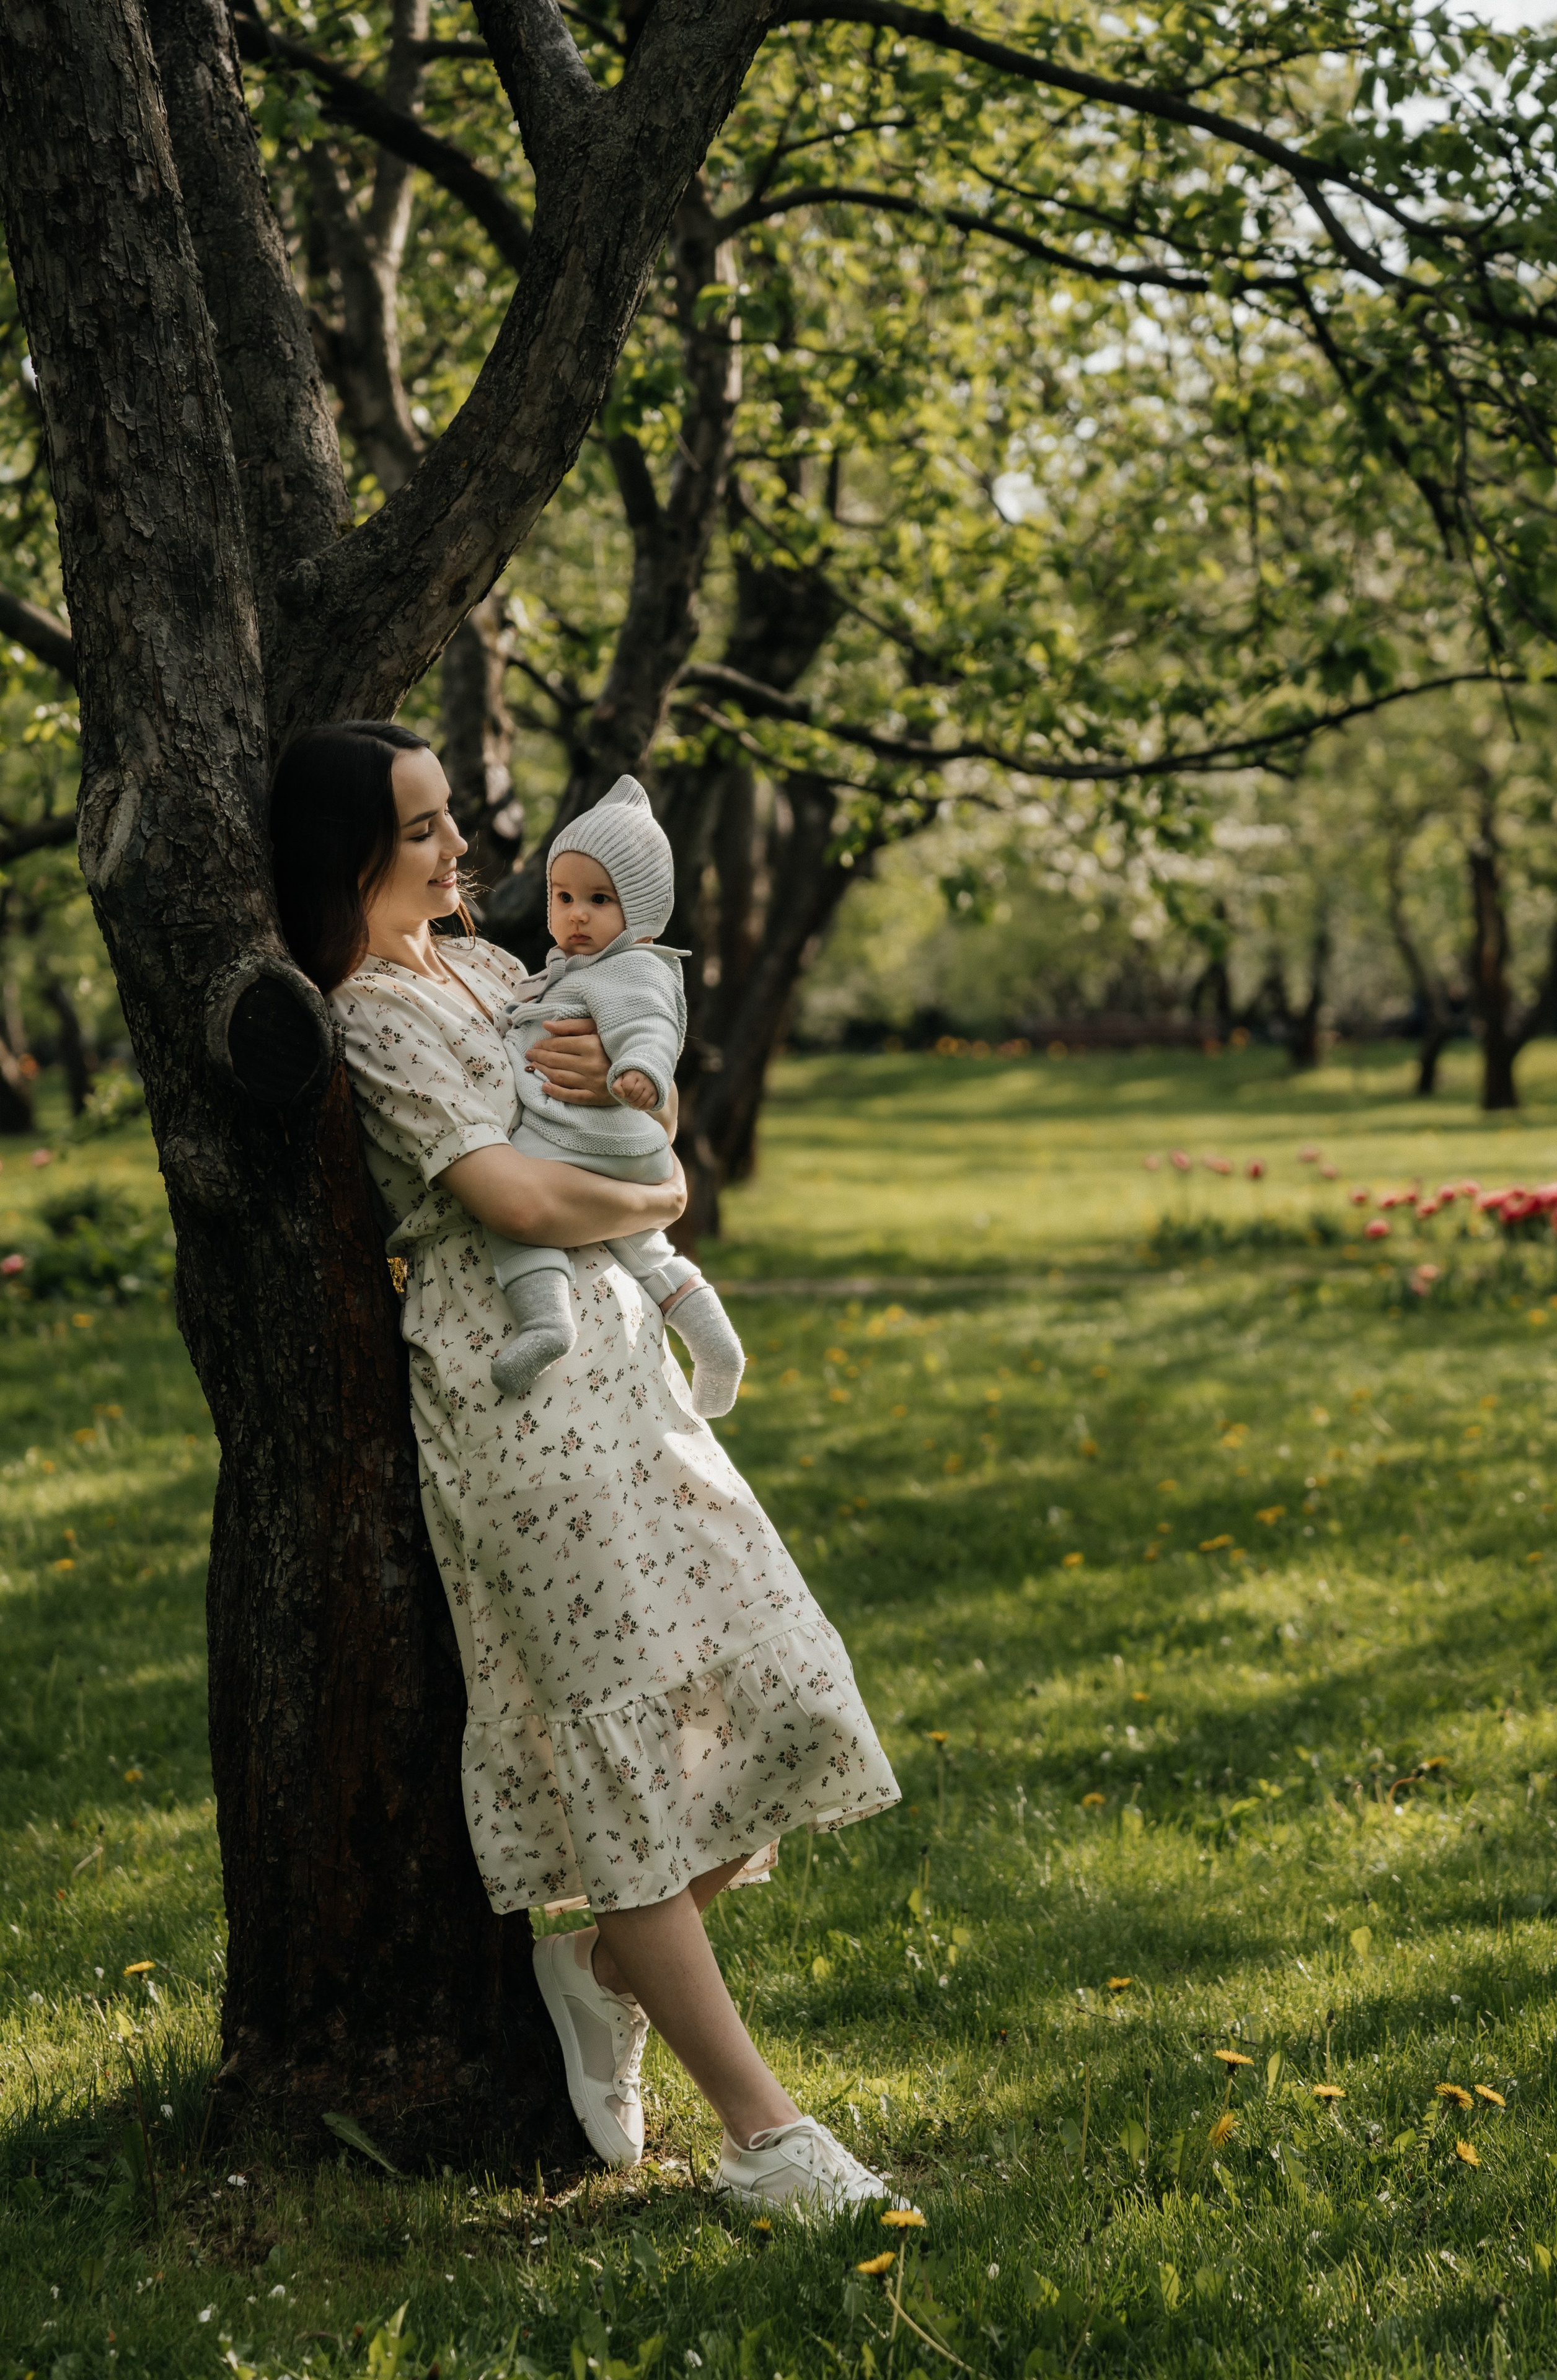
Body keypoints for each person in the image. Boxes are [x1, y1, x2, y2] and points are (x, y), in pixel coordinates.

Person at [269, 719, 903, 2210]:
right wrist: (628, 1179)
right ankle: (762, 2133)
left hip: (626, 1366)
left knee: (763, 1667)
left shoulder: (496, 974)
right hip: (514, 1401)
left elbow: (643, 1142)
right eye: (422, 830)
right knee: (613, 1731)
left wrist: (643, 1166)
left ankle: (611, 1952)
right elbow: (507, 1186)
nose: (457, 850)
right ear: (350, 854)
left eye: (446, 820)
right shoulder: (367, 1012)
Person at [483, 773, 744, 1417]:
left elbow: (651, 1026)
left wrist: (641, 1073)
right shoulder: (572, 971)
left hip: (574, 1140)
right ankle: (717, 1349)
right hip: (623, 1150)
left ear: (645, 910)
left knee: (513, 1215)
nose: (576, 913)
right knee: (652, 1253)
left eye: (600, 899)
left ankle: (546, 1323)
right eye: (563, 894)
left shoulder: (631, 967)